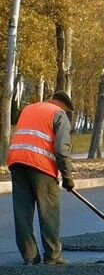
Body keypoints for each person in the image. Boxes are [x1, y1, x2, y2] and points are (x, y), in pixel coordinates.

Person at [7, 90, 75, 265]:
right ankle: (53, 256)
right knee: (49, 211)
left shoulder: (29, 109)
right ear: (64, 106)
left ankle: (30, 257)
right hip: (40, 166)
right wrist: (67, 176)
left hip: (17, 161)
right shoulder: (59, 114)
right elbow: (61, 148)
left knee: (22, 212)